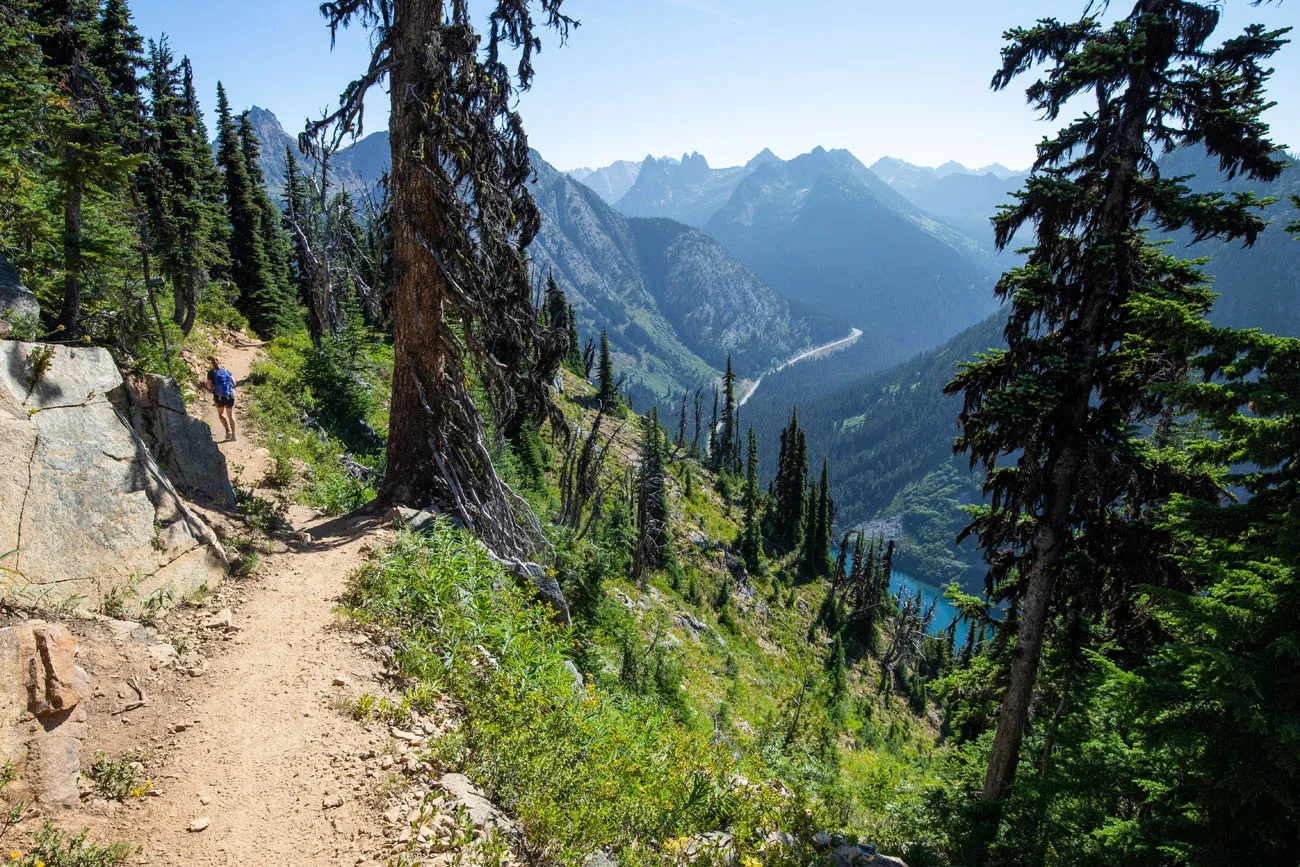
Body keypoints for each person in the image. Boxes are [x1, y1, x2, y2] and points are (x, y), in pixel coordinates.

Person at [206, 357, 237, 441]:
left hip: (218, 397)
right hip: (229, 396)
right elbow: (234, 383)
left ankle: (228, 431)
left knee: (221, 414)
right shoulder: (226, 370)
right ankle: (234, 435)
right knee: (230, 415)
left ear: (211, 363)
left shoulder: (211, 372)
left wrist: (213, 387)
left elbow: (209, 386)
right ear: (219, 362)